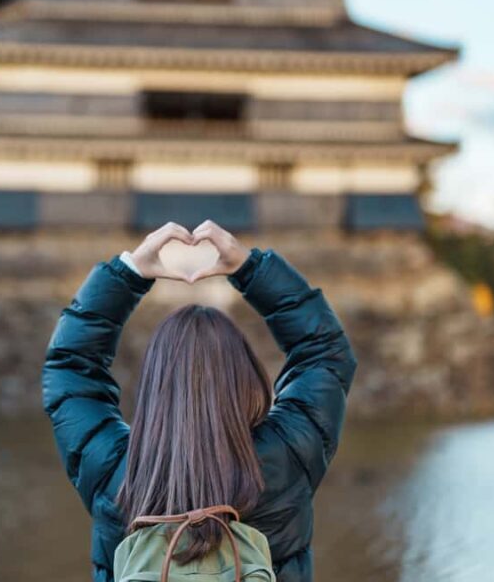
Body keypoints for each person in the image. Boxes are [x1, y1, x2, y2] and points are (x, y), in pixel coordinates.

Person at [42, 220, 358, 582]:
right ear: (245, 379)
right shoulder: (287, 454)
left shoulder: (112, 466)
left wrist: (128, 273)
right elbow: (324, 353)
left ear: (155, 385)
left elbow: (70, 366)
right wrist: (250, 268)